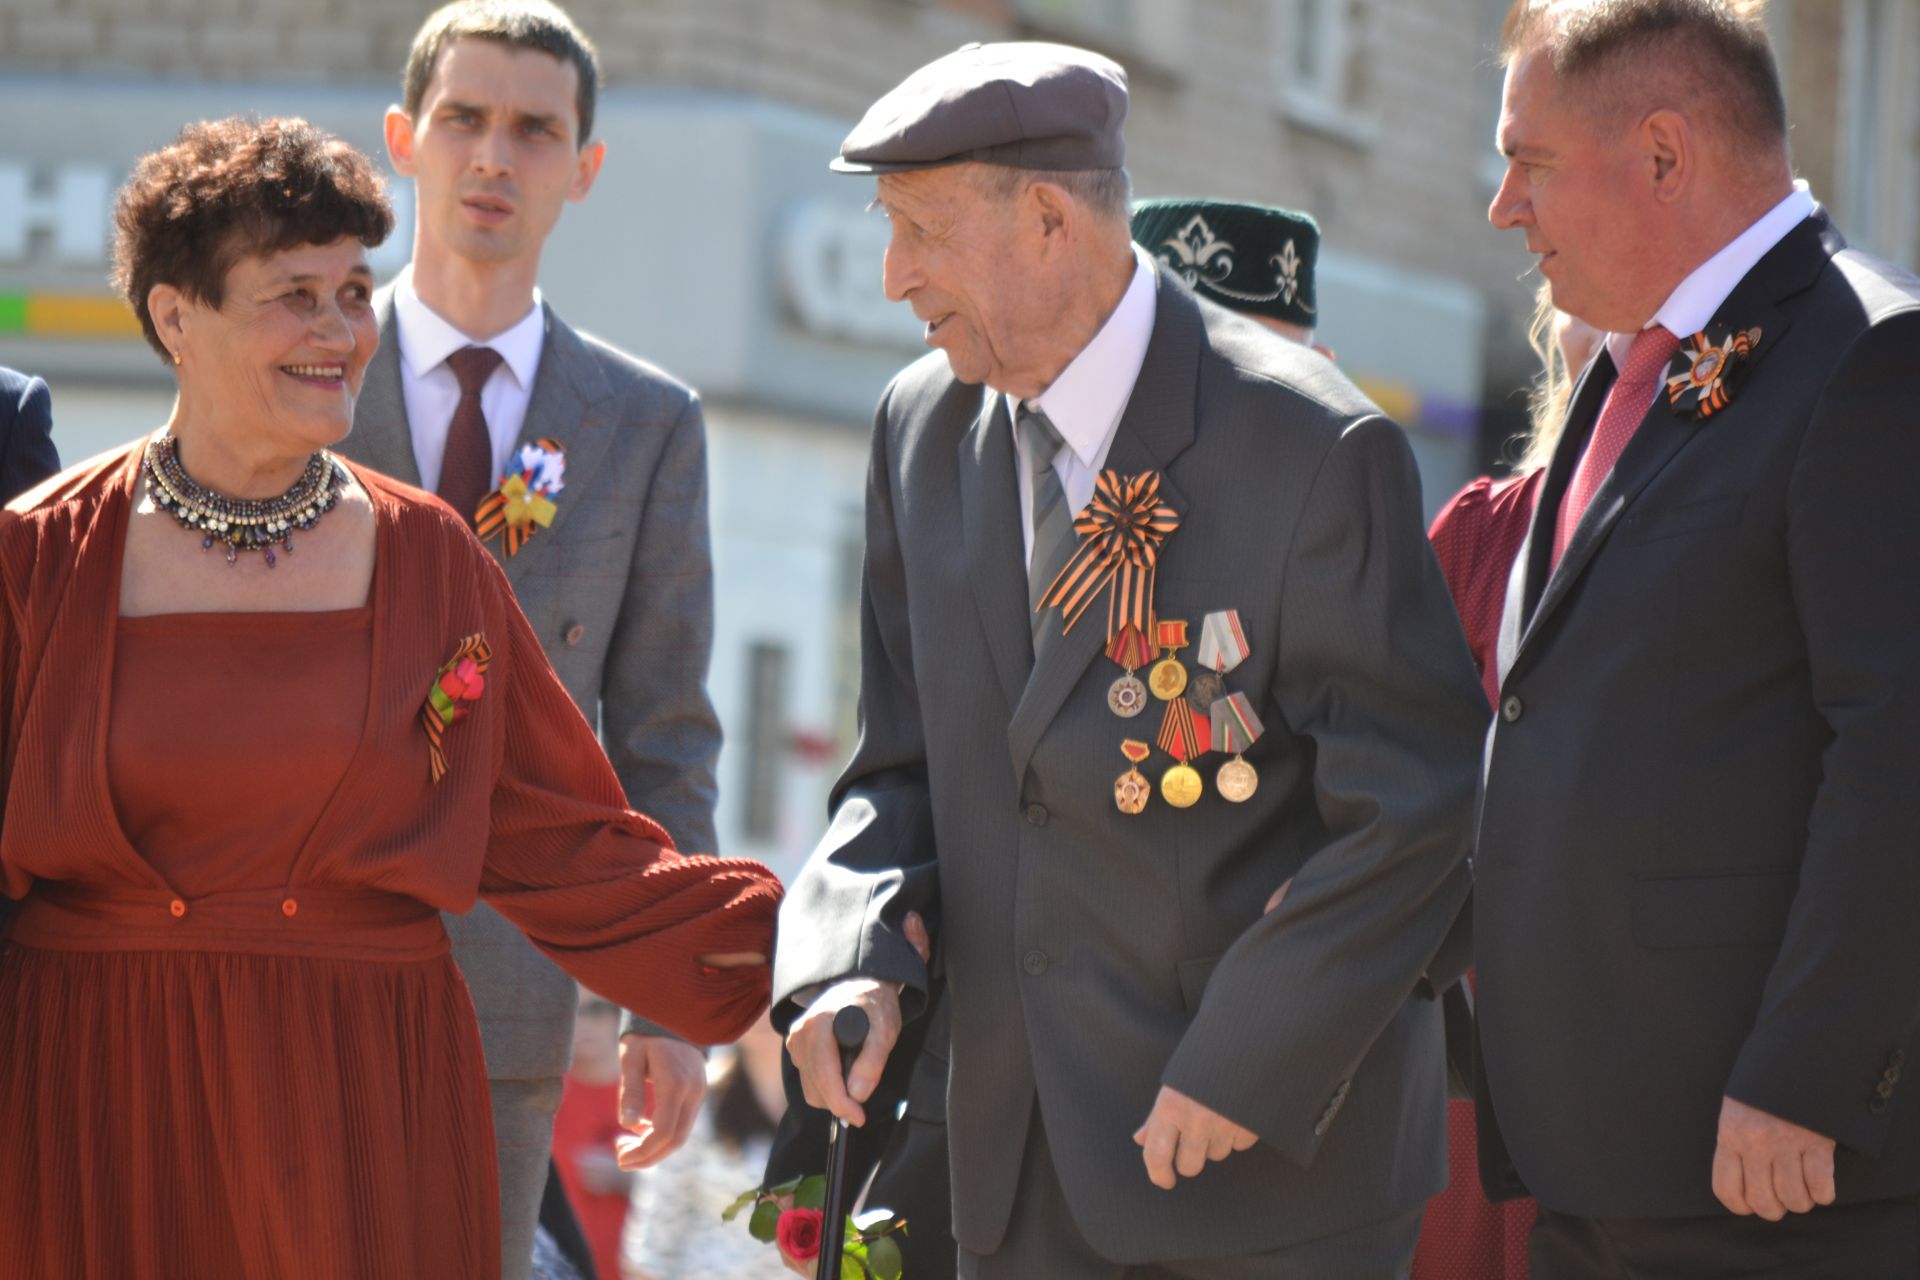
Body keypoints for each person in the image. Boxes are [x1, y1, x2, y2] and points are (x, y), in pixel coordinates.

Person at [0, 115, 780, 1278]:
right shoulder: (40, 556)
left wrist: (809, 951)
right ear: (175, 315)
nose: (339, 332)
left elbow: (567, 840)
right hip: (100, 1099)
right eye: (294, 294)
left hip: (366, 1098)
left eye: (355, 292)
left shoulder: (433, 561)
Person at [775, 41, 1487, 1278]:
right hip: (1014, 1166)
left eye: (922, 232)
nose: (894, 276)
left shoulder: (1311, 443)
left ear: (1049, 218)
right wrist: (853, 951)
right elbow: (899, 769)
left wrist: (1245, 1059)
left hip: (1262, 1168)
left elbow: (1417, 809)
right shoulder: (918, 427)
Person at [1478, 2, 1920, 1275]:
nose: (1507, 205)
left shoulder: (1868, 359)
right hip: (1605, 1158)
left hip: (1777, 1169)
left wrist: (1810, 1069)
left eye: (1532, 159)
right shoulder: (1634, 369)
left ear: (1664, 155)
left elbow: (1899, 755)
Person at [337, 4, 721, 1272]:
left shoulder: (644, 423)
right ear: (403, 138)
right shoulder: (300, 372)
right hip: (287, 954)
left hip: (505, 992)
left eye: (534, 130)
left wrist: (673, 991)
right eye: (465, 119)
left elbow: (663, 733)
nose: (494, 157)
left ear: (584, 167)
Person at [552, 988, 635, 1280]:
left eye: (597, 1010)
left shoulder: (664, 1091)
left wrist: (635, 1182)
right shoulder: (539, 1098)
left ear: (620, 1014)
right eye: (571, 1009)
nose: (583, 1023)